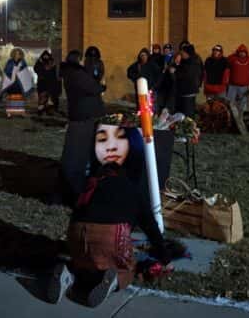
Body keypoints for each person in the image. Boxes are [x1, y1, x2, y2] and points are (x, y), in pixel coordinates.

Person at [48, 123, 171, 307]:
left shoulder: (92, 184)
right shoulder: (133, 189)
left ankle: (69, 273)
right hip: (111, 237)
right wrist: (165, 258)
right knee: (127, 268)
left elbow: (78, 211)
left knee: (86, 262)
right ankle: (113, 281)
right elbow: (150, 226)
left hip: (76, 235)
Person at [60, 50, 107, 199]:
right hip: (83, 117)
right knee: (79, 152)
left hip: (79, 115)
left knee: (78, 151)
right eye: (82, 59)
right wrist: (102, 86)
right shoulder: (78, 74)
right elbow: (94, 88)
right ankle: (77, 183)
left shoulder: (70, 73)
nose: (85, 62)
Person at [173, 44, 203, 117]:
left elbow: (185, 75)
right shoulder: (185, 61)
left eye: (183, 53)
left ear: (187, 53)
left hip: (188, 91)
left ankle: (187, 126)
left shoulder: (193, 63)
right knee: (180, 112)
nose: (181, 54)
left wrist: (176, 69)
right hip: (182, 91)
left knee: (187, 113)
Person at [226, 44, 249, 113]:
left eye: (244, 52)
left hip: (244, 87)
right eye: (240, 52)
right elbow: (226, 63)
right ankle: (231, 117)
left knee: (242, 105)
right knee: (230, 103)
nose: (242, 53)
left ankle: (240, 117)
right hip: (232, 86)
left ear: (246, 52)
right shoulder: (233, 59)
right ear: (238, 52)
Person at [3, 48, 29, 117]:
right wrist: (14, 70)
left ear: (21, 54)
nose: (17, 55)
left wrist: (20, 70)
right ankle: (9, 112)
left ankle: (21, 112)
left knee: (20, 98)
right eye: (16, 53)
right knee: (11, 97)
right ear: (13, 54)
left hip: (20, 83)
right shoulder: (10, 61)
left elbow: (26, 70)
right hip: (11, 83)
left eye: (19, 54)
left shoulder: (23, 61)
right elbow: (6, 70)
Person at [34, 50, 61, 115]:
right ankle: (41, 110)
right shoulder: (39, 63)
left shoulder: (52, 63)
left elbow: (55, 74)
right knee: (42, 99)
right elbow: (37, 69)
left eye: (47, 56)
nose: (46, 57)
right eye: (44, 56)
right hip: (42, 84)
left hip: (51, 84)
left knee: (51, 99)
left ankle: (50, 111)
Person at [155, 44, 175, 113]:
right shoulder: (161, 58)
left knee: (169, 102)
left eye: (168, 49)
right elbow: (157, 69)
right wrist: (162, 70)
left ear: (170, 50)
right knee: (161, 102)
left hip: (170, 83)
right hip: (162, 83)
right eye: (165, 49)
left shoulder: (173, 58)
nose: (167, 51)